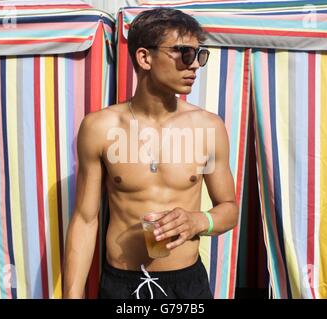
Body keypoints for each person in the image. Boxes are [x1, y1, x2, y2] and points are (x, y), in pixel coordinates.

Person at [63, 8, 238, 299]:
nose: (194, 65)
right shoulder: (100, 127)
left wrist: (198, 221)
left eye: (199, 55)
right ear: (145, 57)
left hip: (187, 285)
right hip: (121, 285)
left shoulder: (209, 126)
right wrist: (72, 295)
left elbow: (229, 209)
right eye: (184, 53)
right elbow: (84, 219)